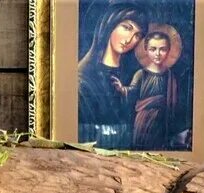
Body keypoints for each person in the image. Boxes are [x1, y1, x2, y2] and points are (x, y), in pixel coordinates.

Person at [76, 9, 144, 147]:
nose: (130, 40)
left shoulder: (135, 75)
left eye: (137, 35)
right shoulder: (84, 77)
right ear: (110, 25)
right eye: (126, 28)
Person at [129, 23, 190, 151]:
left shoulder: (170, 76)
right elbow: (131, 96)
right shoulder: (140, 74)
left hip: (164, 124)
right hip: (143, 123)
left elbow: (176, 104)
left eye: (162, 49)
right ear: (145, 49)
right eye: (153, 49)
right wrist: (121, 89)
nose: (157, 53)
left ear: (169, 50)